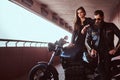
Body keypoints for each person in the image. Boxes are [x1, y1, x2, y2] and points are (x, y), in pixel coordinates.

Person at [85, 10, 120, 80]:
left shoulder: (111, 26)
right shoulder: (91, 28)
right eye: (95, 19)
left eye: (99, 19)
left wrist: (115, 49)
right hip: (97, 54)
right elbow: (86, 41)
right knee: (101, 72)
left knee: (106, 72)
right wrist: (91, 49)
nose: (96, 21)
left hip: (108, 53)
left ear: (103, 17)